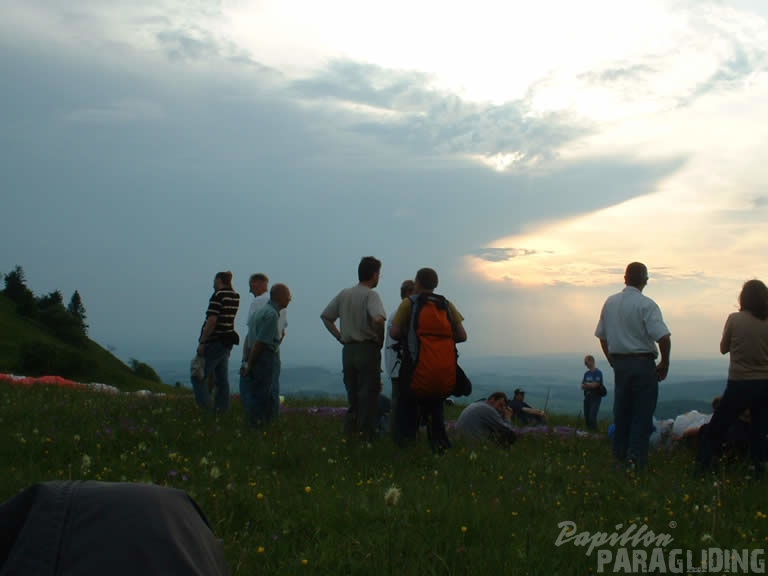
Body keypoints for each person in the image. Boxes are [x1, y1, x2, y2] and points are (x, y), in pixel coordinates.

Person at [595, 261, 671, 472]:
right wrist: (665, 363)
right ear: (645, 280)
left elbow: (602, 336)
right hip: (643, 364)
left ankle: (619, 459)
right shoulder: (647, 305)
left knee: (622, 412)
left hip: (620, 365)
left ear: (625, 278)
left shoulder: (610, 302)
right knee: (642, 414)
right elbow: (663, 337)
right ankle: (635, 463)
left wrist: (611, 358)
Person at [389, 267, 467, 452]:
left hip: (415, 369)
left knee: (407, 409)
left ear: (417, 282)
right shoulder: (447, 305)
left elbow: (394, 333)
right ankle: (439, 448)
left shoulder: (409, 304)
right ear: (436, 284)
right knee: (436, 410)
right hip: (441, 370)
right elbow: (462, 336)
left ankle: (407, 449)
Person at [696, 279, 768, 477]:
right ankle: (757, 469)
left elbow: (723, 348)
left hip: (740, 382)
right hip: (765, 384)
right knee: (759, 429)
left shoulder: (735, 319)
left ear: (743, 298)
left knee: (718, 425)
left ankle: (704, 466)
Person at [321, 257, 387, 442]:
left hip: (348, 350)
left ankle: (350, 436)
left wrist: (339, 336)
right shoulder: (370, 295)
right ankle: (366, 439)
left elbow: (326, 317)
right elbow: (378, 319)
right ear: (374, 275)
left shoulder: (344, 294)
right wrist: (379, 340)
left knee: (354, 397)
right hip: (367, 349)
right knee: (369, 397)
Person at [240, 283, 291, 428]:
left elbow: (250, 339)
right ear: (280, 297)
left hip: (259, 358)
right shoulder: (272, 315)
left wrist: (247, 360)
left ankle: (256, 425)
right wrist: (250, 363)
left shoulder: (260, 312)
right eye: (288, 297)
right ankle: (259, 427)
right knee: (265, 395)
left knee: (258, 393)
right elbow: (260, 343)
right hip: (265, 359)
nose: (290, 299)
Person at [192, 271, 240, 413]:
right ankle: (222, 409)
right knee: (221, 379)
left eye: (214, 280)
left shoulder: (218, 295)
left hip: (214, 341)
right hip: (226, 341)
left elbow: (212, 320)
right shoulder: (235, 296)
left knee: (198, 375)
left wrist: (202, 341)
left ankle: (206, 408)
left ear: (219, 280)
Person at [384, 279, 416, 443]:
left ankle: (397, 433)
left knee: (399, 399)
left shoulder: (396, 312)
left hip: (396, 364)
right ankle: (398, 435)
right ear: (409, 294)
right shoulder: (402, 313)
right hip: (400, 365)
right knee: (399, 401)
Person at [581, 355, 604, 431]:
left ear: (591, 361)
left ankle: (595, 432)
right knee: (587, 417)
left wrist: (587, 384)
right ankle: (589, 432)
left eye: (586, 362)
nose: (585, 364)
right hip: (587, 397)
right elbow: (582, 386)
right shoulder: (586, 373)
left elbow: (596, 384)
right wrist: (590, 384)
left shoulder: (598, 373)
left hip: (595, 398)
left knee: (592, 416)